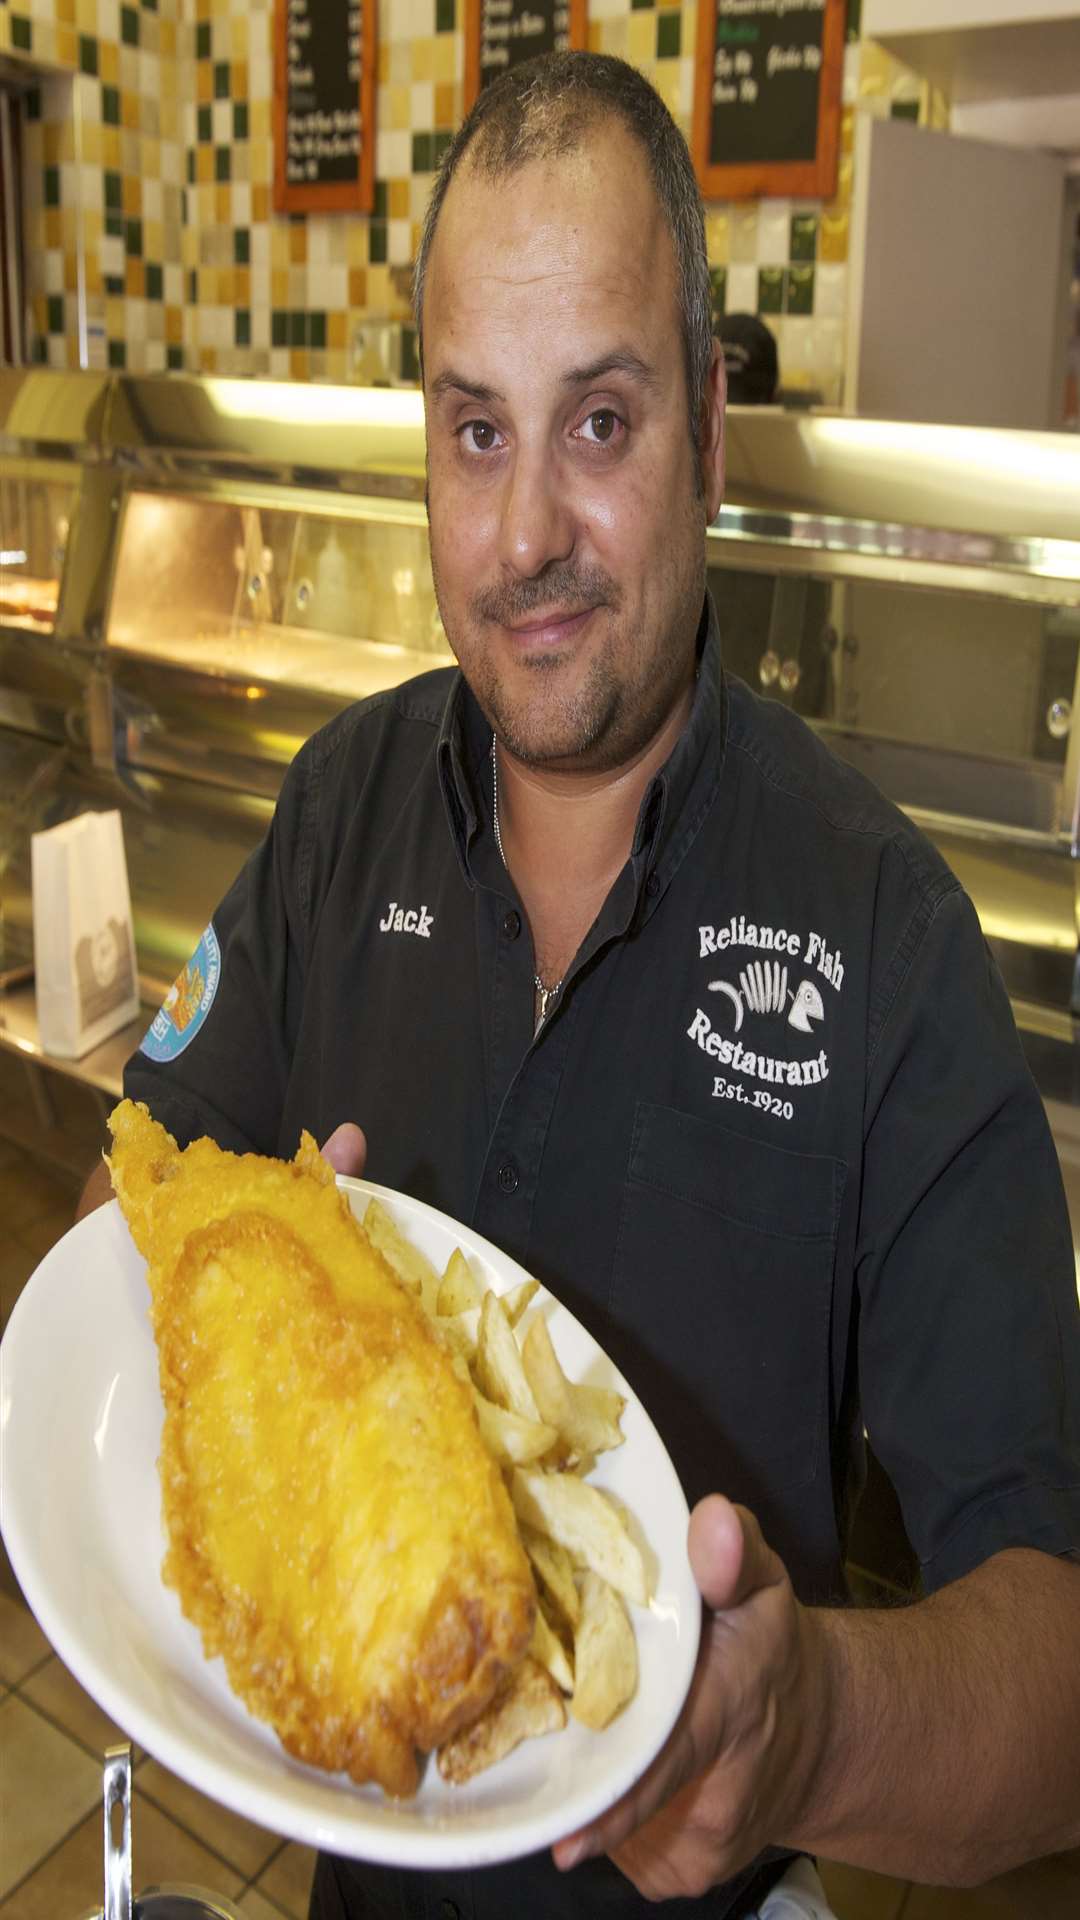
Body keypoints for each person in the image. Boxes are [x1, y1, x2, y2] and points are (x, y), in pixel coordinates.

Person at [78, 50, 1080, 1920]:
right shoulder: (339, 809)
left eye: (599, 424)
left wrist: (817, 1732)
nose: (526, 530)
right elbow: (125, 1208)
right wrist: (272, 1320)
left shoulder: (886, 933)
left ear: (708, 411)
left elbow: (1060, 1663)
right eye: (477, 430)